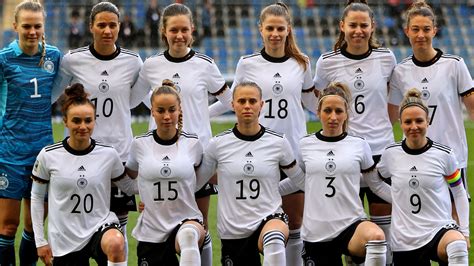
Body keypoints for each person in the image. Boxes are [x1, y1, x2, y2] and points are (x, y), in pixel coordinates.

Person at [209, 3, 317, 264]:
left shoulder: (301, 64)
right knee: (259, 224)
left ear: (288, 30)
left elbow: (313, 104)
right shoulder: (247, 63)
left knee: (293, 225)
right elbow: (232, 101)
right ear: (261, 30)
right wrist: (200, 115)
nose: (275, 34)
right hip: (258, 153)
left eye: (280, 28)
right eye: (270, 28)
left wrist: (342, 115)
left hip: (292, 152)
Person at [132, 4, 233, 264]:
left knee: (197, 226)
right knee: (160, 225)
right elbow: (135, 97)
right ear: (163, 32)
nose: (179, 35)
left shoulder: (205, 64)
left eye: (184, 30)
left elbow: (229, 101)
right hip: (159, 151)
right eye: (173, 30)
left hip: (197, 154)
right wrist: (159, 112)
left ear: (192, 31)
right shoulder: (151, 65)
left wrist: (200, 114)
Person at [52, 2, 143, 258]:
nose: (107, 30)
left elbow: (133, 101)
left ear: (119, 27)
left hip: (120, 153)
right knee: (78, 216)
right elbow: (53, 95)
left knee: (119, 223)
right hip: (83, 153)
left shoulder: (133, 62)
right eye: (101, 24)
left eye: (112, 25)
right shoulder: (72, 60)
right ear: (91, 26)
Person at [312, 1, 397, 264]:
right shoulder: (327, 62)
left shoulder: (386, 58)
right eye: (353, 25)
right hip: (344, 154)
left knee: (383, 227)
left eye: (363, 25)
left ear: (372, 26)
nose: (358, 30)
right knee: (346, 221)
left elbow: (392, 102)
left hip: (381, 152)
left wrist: (381, 126)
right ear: (342, 26)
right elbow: (319, 99)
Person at [280, 82, 387, 266]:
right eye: (327, 110)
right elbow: (299, 181)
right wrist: (268, 194)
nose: (333, 117)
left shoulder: (359, 144)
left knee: (376, 237)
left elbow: (375, 184)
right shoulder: (305, 145)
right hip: (316, 232)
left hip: (351, 224)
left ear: (346, 114)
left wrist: (402, 199)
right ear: (318, 111)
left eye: (338, 111)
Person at [197, 82, 304, 266]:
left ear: (261, 105)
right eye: (242, 101)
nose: (247, 105)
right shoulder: (218, 144)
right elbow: (196, 183)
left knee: (275, 240)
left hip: (270, 217)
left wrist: (276, 189)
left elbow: (300, 181)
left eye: (252, 101)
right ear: (232, 104)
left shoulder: (278, 142)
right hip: (233, 227)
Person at [30, 83, 138, 266]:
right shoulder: (48, 155)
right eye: (76, 121)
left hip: (99, 227)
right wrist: (40, 241)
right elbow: (37, 197)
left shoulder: (108, 154)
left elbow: (128, 187)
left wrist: (155, 176)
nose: (83, 126)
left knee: (116, 243)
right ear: (65, 121)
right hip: (64, 239)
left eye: (88, 120)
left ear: (95, 121)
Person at [366, 88, 469, 265]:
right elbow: (374, 179)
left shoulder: (444, 154)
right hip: (405, 239)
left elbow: (459, 192)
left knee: (457, 246)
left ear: (428, 121)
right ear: (400, 123)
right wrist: (396, 197)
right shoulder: (391, 154)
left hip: (439, 229)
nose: (414, 126)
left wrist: (465, 232)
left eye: (419, 121)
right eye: (408, 122)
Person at [388, 0, 474, 206]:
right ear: (406, 31)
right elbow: (389, 118)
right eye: (415, 29)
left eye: (426, 29)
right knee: (423, 216)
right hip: (417, 156)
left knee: (457, 217)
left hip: (452, 156)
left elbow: (473, 107)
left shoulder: (454, 65)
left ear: (435, 31)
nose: (421, 35)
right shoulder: (400, 72)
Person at [0, 1, 61, 265]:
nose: (32, 31)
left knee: (34, 228)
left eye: (37, 26)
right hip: (10, 153)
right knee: (7, 227)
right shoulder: (4, 60)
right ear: (15, 26)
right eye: (26, 26)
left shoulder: (54, 57)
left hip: (43, 154)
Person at [126, 80, 206, 265]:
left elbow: (203, 179)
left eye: (171, 109)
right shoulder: (139, 144)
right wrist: (145, 193)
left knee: (187, 236)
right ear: (152, 111)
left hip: (187, 221)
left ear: (179, 110)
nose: (167, 116)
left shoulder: (193, 143)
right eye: (160, 110)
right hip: (152, 228)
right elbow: (129, 177)